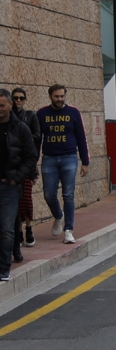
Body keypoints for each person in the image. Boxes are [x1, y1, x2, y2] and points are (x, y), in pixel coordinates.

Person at [37, 84, 90, 245]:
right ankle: (59, 215)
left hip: (69, 157)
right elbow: (37, 139)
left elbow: (81, 137)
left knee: (68, 194)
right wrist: (33, 161)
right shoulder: (42, 113)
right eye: (56, 96)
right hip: (49, 158)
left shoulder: (73, 112)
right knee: (48, 193)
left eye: (62, 96)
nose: (60, 99)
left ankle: (68, 230)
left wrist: (85, 161)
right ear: (50, 97)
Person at [0, 88, 37, 281]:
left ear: (10, 105)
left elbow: (31, 157)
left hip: (10, 187)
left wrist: (16, 178)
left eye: (2, 105)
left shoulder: (20, 128)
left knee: (7, 228)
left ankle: (4, 268)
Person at [12, 88, 41, 258]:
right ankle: (19, 232)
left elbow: (37, 137)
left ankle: (29, 228)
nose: (18, 101)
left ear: (25, 99)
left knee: (27, 199)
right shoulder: (9, 119)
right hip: (13, 167)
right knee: (15, 203)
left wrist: (23, 135)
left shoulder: (30, 116)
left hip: (27, 166)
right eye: (15, 98)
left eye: (21, 98)